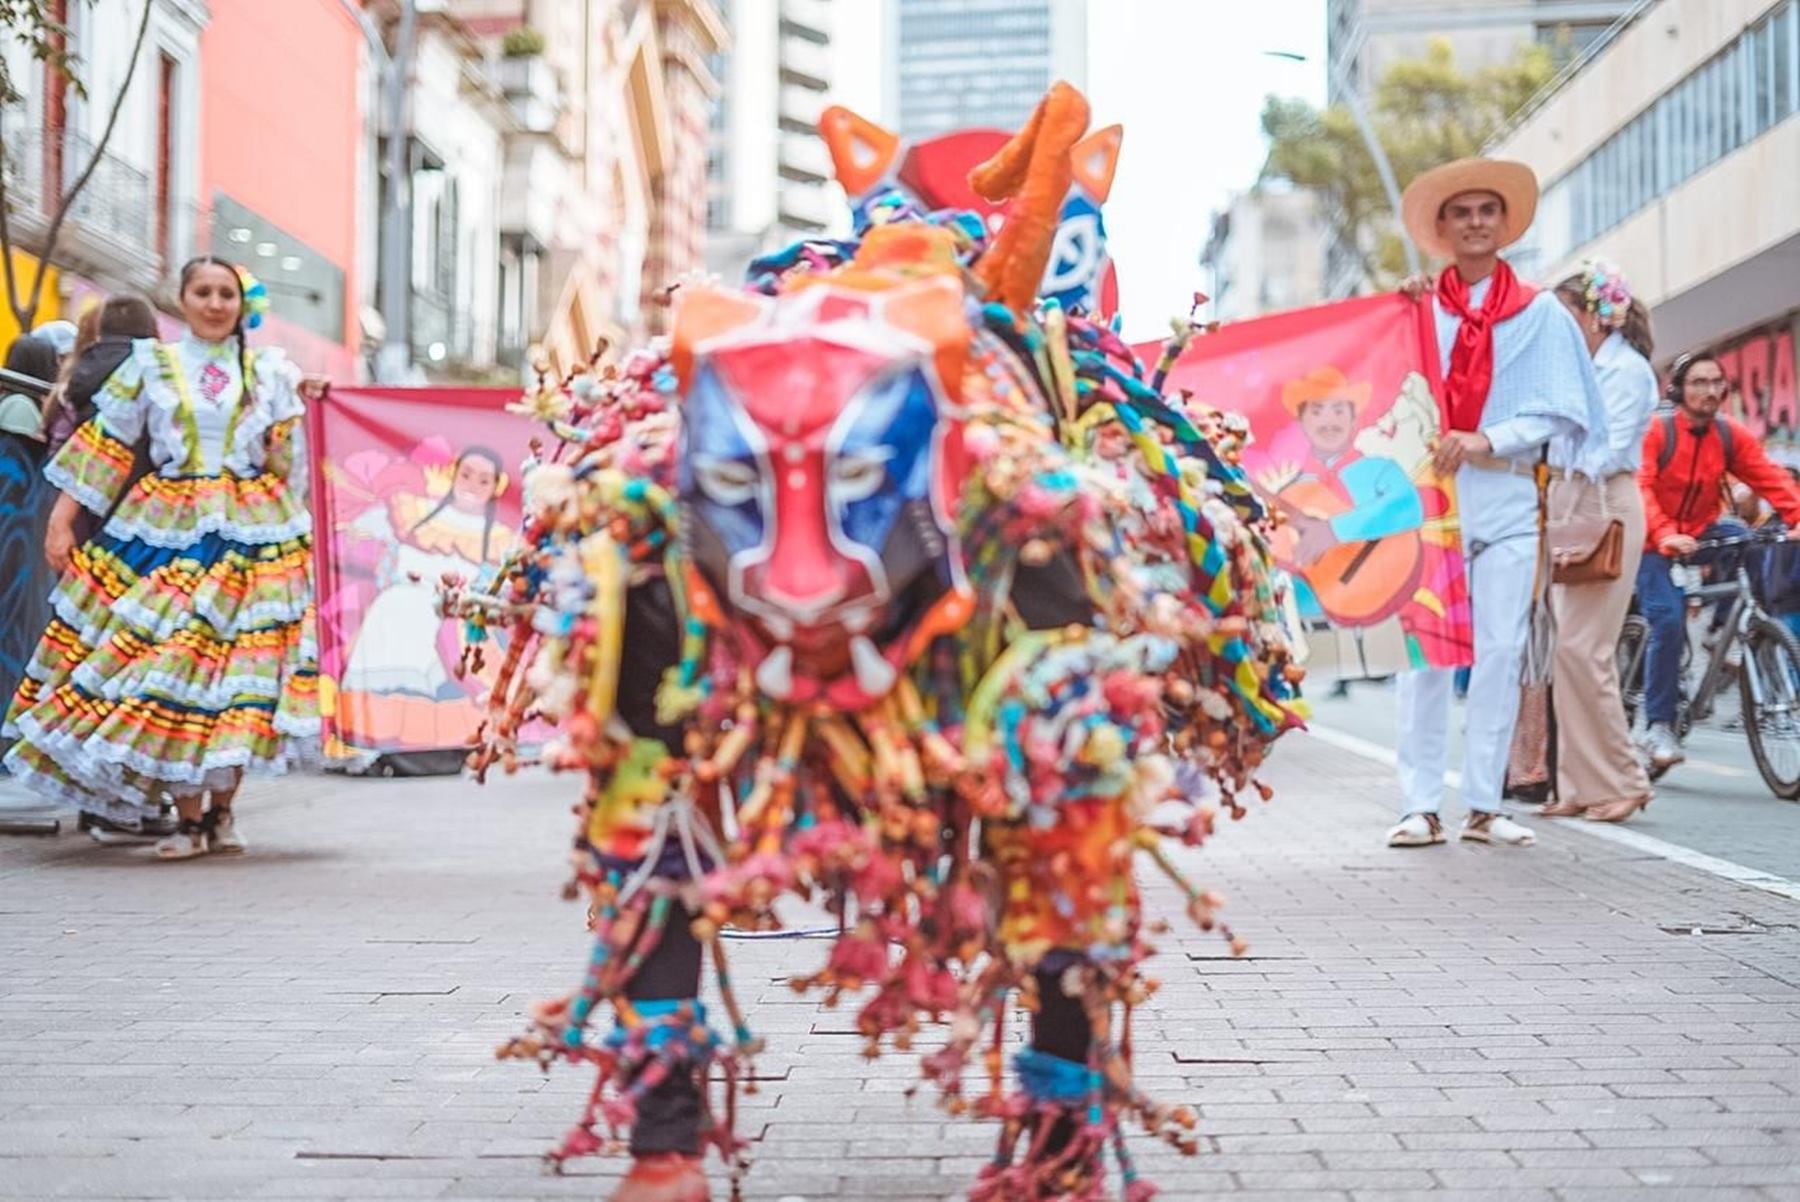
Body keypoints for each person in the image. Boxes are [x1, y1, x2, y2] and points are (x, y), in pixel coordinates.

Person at [2, 257, 325, 860]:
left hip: (253, 535)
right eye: (202, 292)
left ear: (240, 304)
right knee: (172, 666)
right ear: (182, 300)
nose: (214, 303)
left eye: (225, 293)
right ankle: (187, 818)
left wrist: (311, 409)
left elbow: (290, 464)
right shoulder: (152, 367)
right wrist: (61, 520)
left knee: (233, 677)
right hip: (166, 529)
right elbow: (106, 446)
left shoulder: (270, 372)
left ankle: (222, 816)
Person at [1385, 157, 1609, 850]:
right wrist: (1399, 310)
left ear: (1504, 224)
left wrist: (1487, 438)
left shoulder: (1540, 313)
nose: (1477, 222)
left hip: (1508, 491)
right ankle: (1419, 804)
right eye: (1462, 212)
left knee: (1501, 648)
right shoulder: (1415, 308)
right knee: (1423, 650)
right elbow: (1385, 390)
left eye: (1488, 211)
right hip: (1428, 499)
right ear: (1443, 228)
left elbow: (1564, 407)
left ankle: (1484, 802)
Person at [1530, 261, 1659, 822]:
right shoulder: (1576, 368)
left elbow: (1608, 446)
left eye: (1566, 315)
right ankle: (1579, 784)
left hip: (1604, 501)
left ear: (1594, 317)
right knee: (1567, 649)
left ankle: (1625, 779)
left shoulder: (1626, 371)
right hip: (1568, 499)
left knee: (1588, 648)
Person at [1636, 353, 1800, 771]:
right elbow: (1642, 488)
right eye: (1698, 382)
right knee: (1668, 621)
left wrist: (1797, 516)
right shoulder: (1657, 431)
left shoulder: (1730, 434)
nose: (1710, 391)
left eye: (1716, 383)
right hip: (1654, 538)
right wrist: (1664, 534)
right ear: (1679, 389)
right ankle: (1658, 725)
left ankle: (1746, 625)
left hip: (1704, 526)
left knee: (1754, 542)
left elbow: (1769, 477)